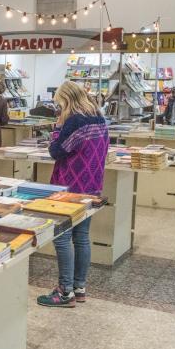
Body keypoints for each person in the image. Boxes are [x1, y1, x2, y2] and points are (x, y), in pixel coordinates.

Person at [37, 81, 109, 308]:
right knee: (82, 237)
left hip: (69, 188)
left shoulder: (74, 121)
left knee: (62, 237)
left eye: (59, 103)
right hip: (92, 186)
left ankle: (64, 291)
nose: (58, 107)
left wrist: (57, 127)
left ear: (67, 100)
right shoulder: (99, 118)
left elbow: (56, 151)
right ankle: (79, 287)